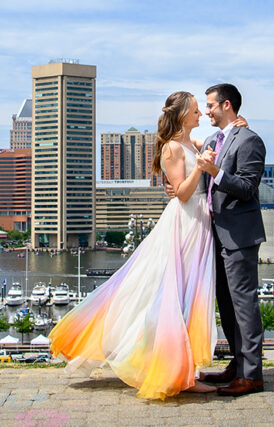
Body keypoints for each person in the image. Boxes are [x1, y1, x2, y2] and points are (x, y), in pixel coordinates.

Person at [49, 91, 229, 399]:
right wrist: (199, 168)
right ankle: (179, 373)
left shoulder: (192, 143)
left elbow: (217, 144)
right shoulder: (172, 148)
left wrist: (235, 126)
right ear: (183, 115)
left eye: (201, 110)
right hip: (184, 224)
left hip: (200, 223)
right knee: (176, 294)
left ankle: (183, 369)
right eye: (196, 111)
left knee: (191, 295)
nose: (200, 115)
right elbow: (183, 193)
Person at [190, 83, 267, 396]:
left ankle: (252, 376)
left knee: (244, 304)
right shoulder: (212, 139)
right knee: (226, 303)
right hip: (216, 235)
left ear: (226, 105)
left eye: (210, 105)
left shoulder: (250, 141)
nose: (206, 111)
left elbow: (248, 188)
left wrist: (216, 171)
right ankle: (237, 365)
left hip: (239, 235)